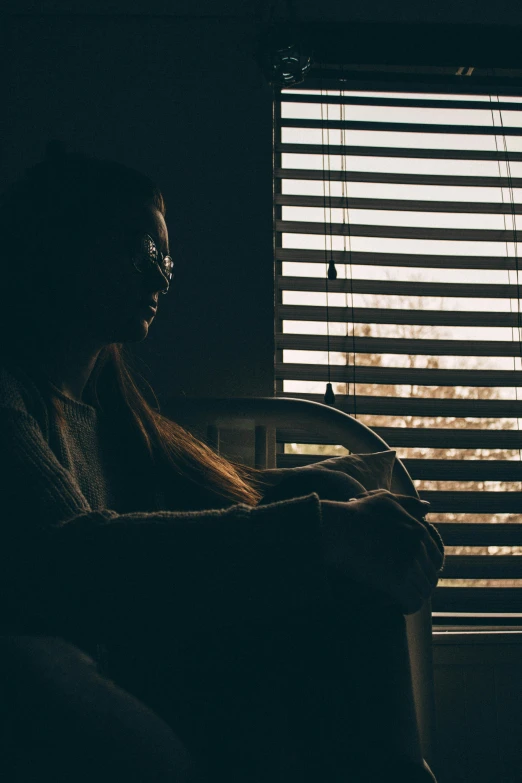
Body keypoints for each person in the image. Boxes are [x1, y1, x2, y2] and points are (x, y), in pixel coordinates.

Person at [0, 141, 444, 782]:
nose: (158, 278)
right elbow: (71, 560)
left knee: (331, 489)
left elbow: (193, 493)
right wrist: (326, 529)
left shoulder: (106, 410)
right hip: (79, 676)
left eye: (167, 262)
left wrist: (345, 493)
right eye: (142, 252)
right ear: (62, 242)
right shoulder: (11, 394)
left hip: (143, 655)